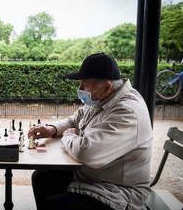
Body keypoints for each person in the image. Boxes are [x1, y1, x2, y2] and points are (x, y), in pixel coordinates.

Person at [28, 52, 152, 210]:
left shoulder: (127, 112)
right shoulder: (103, 98)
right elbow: (76, 119)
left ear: (107, 87)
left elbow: (85, 152)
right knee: (42, 177)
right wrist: (52, 129)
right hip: (92, 177)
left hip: (116, 192)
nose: (79, 90)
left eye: (84, 85)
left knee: (52, 206)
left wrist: (68, 136)